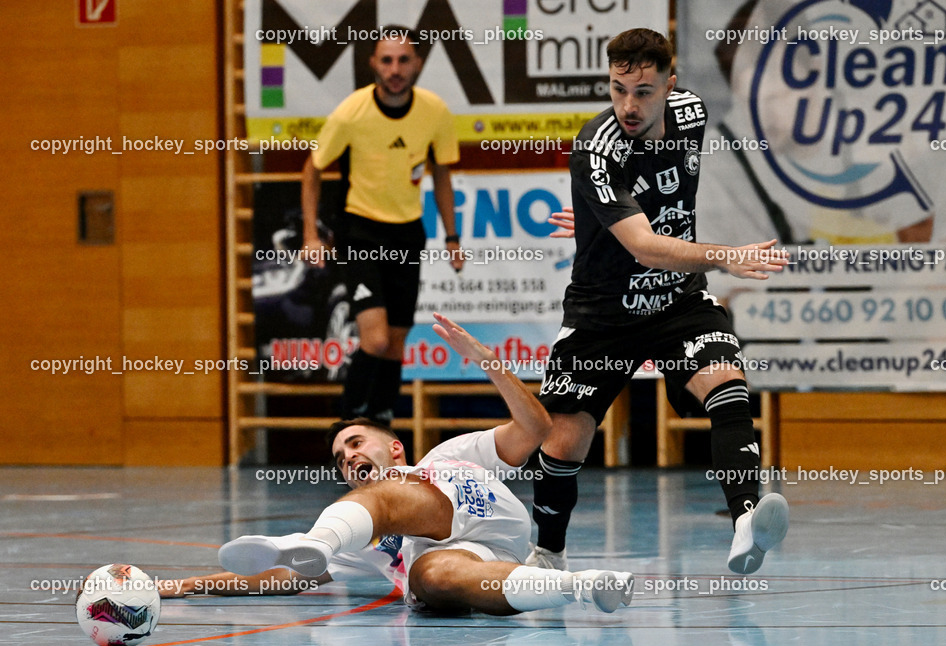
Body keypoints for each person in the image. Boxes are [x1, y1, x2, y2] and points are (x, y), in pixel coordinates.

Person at [527, 28, 790, 575]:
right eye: (618, 88)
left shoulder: (691, 115)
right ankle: (547, 553)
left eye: (644, 91)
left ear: (670, 85)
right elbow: (645, 247)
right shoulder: (597, 149)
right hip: (603, 314)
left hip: (676, 300)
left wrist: (612, 220)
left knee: (726, 381)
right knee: (565, 439)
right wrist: (721, 255)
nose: (628, 104)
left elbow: (647, 209)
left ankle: (745, 521)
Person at [159, 314, 633, 615]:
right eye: (342, 458)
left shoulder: (450, 455)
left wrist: (490, 362)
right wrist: (185, 585)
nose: (350, 457)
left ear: (396, 450)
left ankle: (312, 541)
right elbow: (281, 578)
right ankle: (583, 587)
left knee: (381, 499)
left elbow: (535, 428)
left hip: (474, 507)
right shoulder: (364, 540)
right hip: (492, 561)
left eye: (357, 443)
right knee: (430, 580)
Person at [302, 26, 463, 425]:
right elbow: (312, 168)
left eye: (403, 60)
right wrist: (310, 234)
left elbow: (441, 174)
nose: (395, 69)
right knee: (373, 338)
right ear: (373, 63)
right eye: (387, 60)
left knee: (394, 344)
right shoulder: (352, 112)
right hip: (361, 232)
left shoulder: (434, 111)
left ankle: (380, 427)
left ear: (417, 64)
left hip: (407, 234)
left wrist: (452, 236)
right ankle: (348, 427)